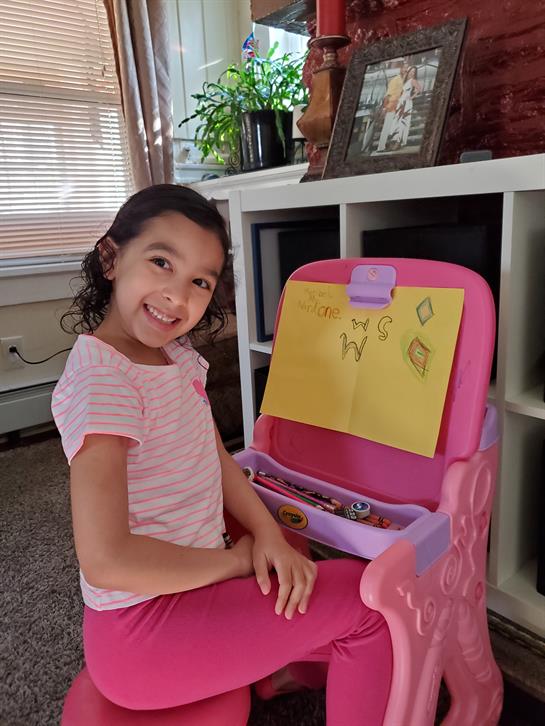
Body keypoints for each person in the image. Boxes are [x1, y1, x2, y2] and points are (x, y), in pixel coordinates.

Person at [52, 184, 392, 724]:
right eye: (161, 261)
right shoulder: (103, 382)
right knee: (370, 603)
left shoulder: (174, 357)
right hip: (144, 637)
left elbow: (217, 460)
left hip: (185, 589)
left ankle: (272, 670)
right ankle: (300, 654)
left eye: (199, 282)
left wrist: (270, 537)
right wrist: (237, 561)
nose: (177, 295)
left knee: (280, 524)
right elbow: (107, 560)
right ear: (112, 258)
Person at [376, 60, 408, 152]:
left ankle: (389, 145)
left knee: (394, 128)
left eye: (407, 68)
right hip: (391, 107)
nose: (406, 69)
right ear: (401, 69)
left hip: (398, 107)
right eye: (404, 67)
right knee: (387, 127)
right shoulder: (395, 80)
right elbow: (388, 95)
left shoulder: (403, 80)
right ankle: (381, 147)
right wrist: (385, 107)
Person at [388, 65, 422, 150]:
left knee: (402, 122)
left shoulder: (413, 81)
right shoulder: (404, 80)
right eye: (411, 71)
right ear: (408, 71)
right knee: (397, 120)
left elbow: (419, 89)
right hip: (400, 102)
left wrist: (411, 97)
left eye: (414, 72)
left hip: (406, 103)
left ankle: (398, 142)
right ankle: (395, 140)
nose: (412, 73)